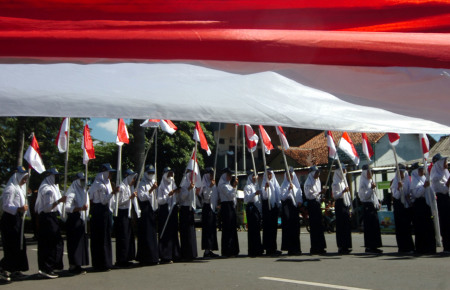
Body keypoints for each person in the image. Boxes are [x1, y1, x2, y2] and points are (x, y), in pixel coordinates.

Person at [35, 168, 65, 278]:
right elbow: (47, 208)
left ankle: (50, 266)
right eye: (56, 176)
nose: (58, 178)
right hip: (47, 217)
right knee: (49, 243)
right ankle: (46, 268)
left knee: (53, 242)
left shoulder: (53, 187)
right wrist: (59, 201)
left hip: (51, 217)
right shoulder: (47, 189)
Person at [0, 166, 29, 282]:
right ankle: (3, 267)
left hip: (17, 218)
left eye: (26, 178)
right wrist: (18, 209)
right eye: (23, 178)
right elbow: (6, 206)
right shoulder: (10, 189)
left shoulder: (20, 188)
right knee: (12, 245)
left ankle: (16, 269)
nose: (25, 180)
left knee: (20, 245)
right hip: (10, 220)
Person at [88, 163, 118, 272]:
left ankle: (107, 261)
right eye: (109, 172)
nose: (110, 175)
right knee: (100, 238)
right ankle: (100, 263)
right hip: (99, 211)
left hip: (106, 211)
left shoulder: (107, 183)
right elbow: (103, 200)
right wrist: (113, 193)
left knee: (106, 237)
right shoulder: (98, 184)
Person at [113, 169, 139, 268]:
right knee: (123, 237)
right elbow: (118, 202)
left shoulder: (129, 187)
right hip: (121, 213)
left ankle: (127, 257)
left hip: (127, 213)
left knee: (128, 236)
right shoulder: (122, 187)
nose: (133, 181)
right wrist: (130, 197)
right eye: (132, 178)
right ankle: (121, 259)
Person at [64, 172, 89, 275]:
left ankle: (79, 264)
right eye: (81, 180)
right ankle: (73, 265)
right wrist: (80, 208)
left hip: (81, 219)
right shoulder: (72, 192)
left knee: (80, 243)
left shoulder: (83, 191)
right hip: (73, 219)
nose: (83, 182)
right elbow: (67, 208)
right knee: (74, 243)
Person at [136, 164, 159, 266]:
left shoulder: (154, 182)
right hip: (145, 210)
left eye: (152, 173)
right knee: (146, 234)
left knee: (153, 234)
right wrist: (151, 190)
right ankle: (145, 258)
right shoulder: (142, 184)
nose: (151, 175)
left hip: (152, 210)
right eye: (149, 173)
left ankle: (153, 257)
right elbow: (141, 197)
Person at [411, 162, 436, 254]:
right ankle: (421, 248)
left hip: (426, 205)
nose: (422, 171)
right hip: (419, 205)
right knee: (421, 227)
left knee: (429, 227)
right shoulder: (414, 181)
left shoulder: (424, 178)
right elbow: (416, 194)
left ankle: (430, 247)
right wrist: (424, 187)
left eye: (422, 169)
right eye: (420, 169)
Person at [157, 167, 181, 263]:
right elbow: (159, 200)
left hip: (173, 209)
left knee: (173, 232)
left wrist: (177, 193)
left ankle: (174, 254)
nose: (170, 176)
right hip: (165, 210)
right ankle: (165, 256)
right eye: (169, 174)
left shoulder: (173, 184)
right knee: (166, 232)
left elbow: (177, 199)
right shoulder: (161, 187)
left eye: (172, 174)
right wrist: (168, 195)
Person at [390, 164, 415, 253]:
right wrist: (398, 188)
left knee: (407, 227)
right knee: (401, 227)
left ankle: (410, 247)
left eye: (401, 172)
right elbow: (395, 195)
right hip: (399, 206)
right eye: (398, 172)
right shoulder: (395, 182)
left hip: (407, 206)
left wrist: (409, 196)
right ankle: (403, 247)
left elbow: (410, 192)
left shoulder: (408, 180)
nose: (400, 174)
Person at [358, 165, 383, 254]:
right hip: (367, 206)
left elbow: (373, 194)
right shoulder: (362, 182)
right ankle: (369, 246)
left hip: (373, 206)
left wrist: (377, 202)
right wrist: (371, 189)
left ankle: (375, 245)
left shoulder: (370, 181)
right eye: (368, 172)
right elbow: (364, 196)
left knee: (375, 226)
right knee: (369, 227)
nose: (370, 174)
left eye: (371, 172)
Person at [178, 168, 201, 261]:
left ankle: (192, 253)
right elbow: (182, 197)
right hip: (184, 208)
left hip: (190, 209)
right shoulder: (183, 184)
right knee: (185, 232)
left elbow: (193, 198)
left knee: (191, 232)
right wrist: (188, 189)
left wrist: (195, 192)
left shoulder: (192, 184)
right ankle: (185, 253)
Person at [304, 166, 327, 255]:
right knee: (314, 226)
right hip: (312, 204)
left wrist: (321, 196)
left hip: (317, 204)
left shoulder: (318, 181)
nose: (317, 174)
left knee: (319, 226)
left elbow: (318, 194)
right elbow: (309, 195)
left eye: (318, 173)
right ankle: (314, 247)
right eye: (316, 173)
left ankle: (321, 247)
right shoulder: (308, 182)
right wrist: (319, 193)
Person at [280, 166, 302, 255]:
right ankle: (290, 248)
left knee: (296, 229)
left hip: (295, 208)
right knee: (289, 228)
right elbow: (282, 197)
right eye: (288, 175)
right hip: (287, 208)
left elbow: (299, 195)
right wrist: (288, 190)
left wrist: (300, 201)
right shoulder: (284, 185)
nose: (290, 177)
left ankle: (296, 248)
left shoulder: (296, 185)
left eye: (291, 175)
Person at [217, 168, 239, 257]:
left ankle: (233, 249)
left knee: (232, 228)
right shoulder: (222, 185)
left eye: (231, 175)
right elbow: (229, 196)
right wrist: (234, 187)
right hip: (226, 206)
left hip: (231, 206)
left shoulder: (228, 185)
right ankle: (227, 250)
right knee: (227, 228)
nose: (230, 177)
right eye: (229, 175)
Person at [430, 153, 450, 253]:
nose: (446, 163)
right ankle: (447, 246)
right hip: (443, 200)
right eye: (444, 162)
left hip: (448, 199)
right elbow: (444, 189)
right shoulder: (436, 177)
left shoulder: (445, 173)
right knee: (446, 223)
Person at [332, 164, 352, 254]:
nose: (344, 172)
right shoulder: (335, 183)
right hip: (340, 204)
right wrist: (343, 191)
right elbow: (335, 196)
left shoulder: (344, 181)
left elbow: (348, 195)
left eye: (344, 170)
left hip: (346, 204)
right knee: (340, 226)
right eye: (342, 170)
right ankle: (341, 246)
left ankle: (347, 246)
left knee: (347, 226)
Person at [261, 167, 281, 256]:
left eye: (270, 174)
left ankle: (273, 247)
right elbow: (264, 196)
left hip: (273, 207)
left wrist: (278, 204)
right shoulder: (264, 183)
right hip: (267, 207)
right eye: (267, 174)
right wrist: (266, 188)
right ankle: (268, 248)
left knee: (273, 229)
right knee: (268, 228)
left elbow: (278, 194)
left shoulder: (275, 183)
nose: (269, 176)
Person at [200, 167, 219, 258]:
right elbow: (206, 196)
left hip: (212, 209)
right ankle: (206, 250)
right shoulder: (204, 184)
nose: (212, 176)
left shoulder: (213, 184)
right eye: (210, 174)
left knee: (212, 230)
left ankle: (210, 249)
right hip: (207, 208)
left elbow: (215, 196)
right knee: (207, 230)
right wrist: (210, 186)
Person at [243, 169, 263, 257]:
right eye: (253, 176)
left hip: (256, 208)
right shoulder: (247, 186)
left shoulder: (257, 186)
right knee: (252, 229)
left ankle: (258, 249)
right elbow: (246, 199)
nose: (255, 177)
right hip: (250, 207)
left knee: (257, 229)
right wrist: (254, 194)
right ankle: (252, 250)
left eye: (256, 175)